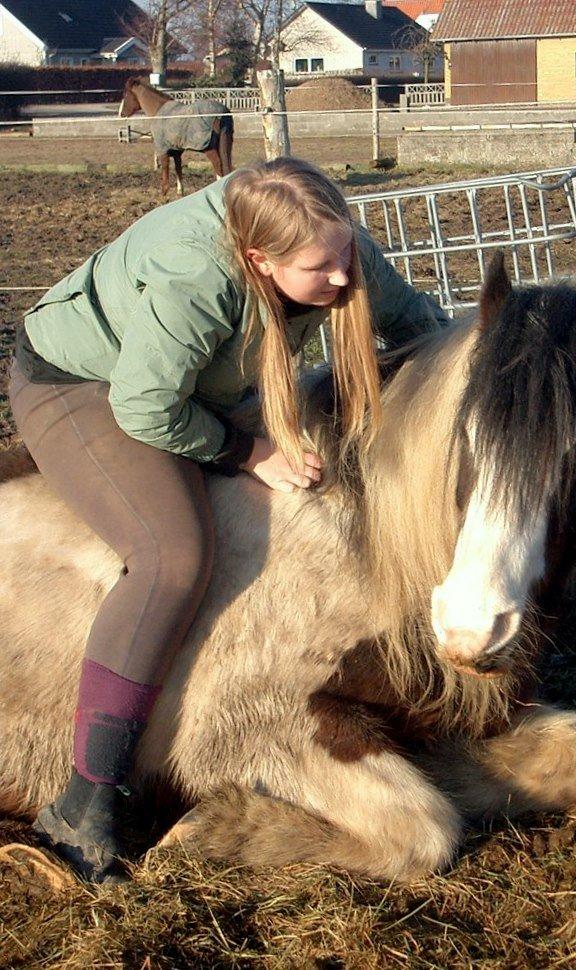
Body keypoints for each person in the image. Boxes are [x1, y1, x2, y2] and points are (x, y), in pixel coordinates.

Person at [9, 156, 449, 884]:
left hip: (207, 379)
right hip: (90, 385)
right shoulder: (197, 279)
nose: (343, 278)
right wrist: (247, 451)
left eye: (347, 253)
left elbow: (424, 333)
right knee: (172, 557)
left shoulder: (340, 251)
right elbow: (146, 406)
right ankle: (86, 799)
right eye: (320, 267)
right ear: (256, 259)